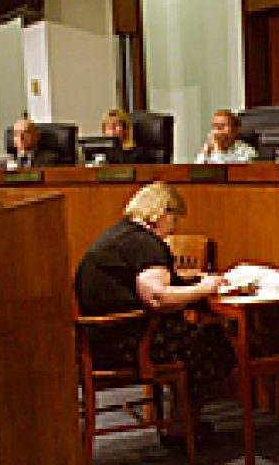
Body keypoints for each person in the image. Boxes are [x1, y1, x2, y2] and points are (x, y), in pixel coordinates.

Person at [74, 181, 236, 438]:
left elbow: (139, 280)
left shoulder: (120, 236)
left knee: (192, 335)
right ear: (163, 214)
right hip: (128, 345)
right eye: (175, 219)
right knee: (213, 343)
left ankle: (179, 418)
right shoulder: (144, 243)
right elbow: (157, 298)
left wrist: (185, 278)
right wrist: (207, 287)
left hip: (97, 342)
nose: (175, 228)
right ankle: (182, 425)